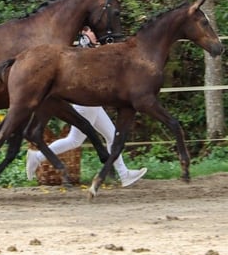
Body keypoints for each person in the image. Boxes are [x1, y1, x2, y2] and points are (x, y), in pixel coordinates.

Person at [25, 26, 148, 187]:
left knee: (103, 136)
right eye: (92, 32)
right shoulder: (84, 49)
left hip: (92, 103)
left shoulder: (90, 48)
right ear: (84, 33)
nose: (96, 35)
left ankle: (124, 174)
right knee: (79, 139)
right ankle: (38, 157)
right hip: (87, 102)